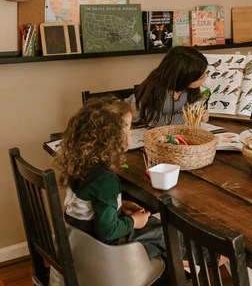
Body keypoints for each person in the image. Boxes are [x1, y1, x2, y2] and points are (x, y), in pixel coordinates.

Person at [53, 96, 226, 266]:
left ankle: (180, 258)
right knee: (160, 232)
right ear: (113, 139)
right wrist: (134, 222)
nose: (131, 132)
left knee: (152, 224)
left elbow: (89, 202)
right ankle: (212, 257)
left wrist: (120, 204)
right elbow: (107, 231)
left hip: (81, 239)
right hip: (104, 249)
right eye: (129, 128)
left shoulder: (81, 164)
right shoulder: (106, 180)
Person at [129, 46, 209, 128]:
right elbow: (154, 123)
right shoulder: (155, 90)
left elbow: (192, 107)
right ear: (185, 79)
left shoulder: (190, 89)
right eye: (201, 77)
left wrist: (201, 115)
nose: (207, 76)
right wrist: (187, 116)